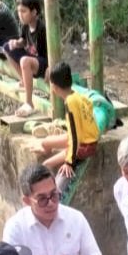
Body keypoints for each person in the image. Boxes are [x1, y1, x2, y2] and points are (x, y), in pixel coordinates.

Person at [38, 61, 100, 192]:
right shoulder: (77, 96)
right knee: (47, 142)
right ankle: (46, 147)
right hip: (88, 140)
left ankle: (52, 191)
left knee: (46, 164)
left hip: (84, 147)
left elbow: (75, 135)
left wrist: (69, 162)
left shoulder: (70, 103)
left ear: (54, 87)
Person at [3, 0, 48, 118]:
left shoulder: (43, 28)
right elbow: (23, 41)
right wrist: (16, 43)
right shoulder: (25, 27)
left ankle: (29, 103)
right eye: (18, 11)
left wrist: (52, 67)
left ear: (34, 12)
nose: (20, 15)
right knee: (6, 47)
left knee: (24, 61)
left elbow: (54, 49)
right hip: (32, 59)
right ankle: (24, 80)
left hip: (43, 63)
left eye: (24, 11)